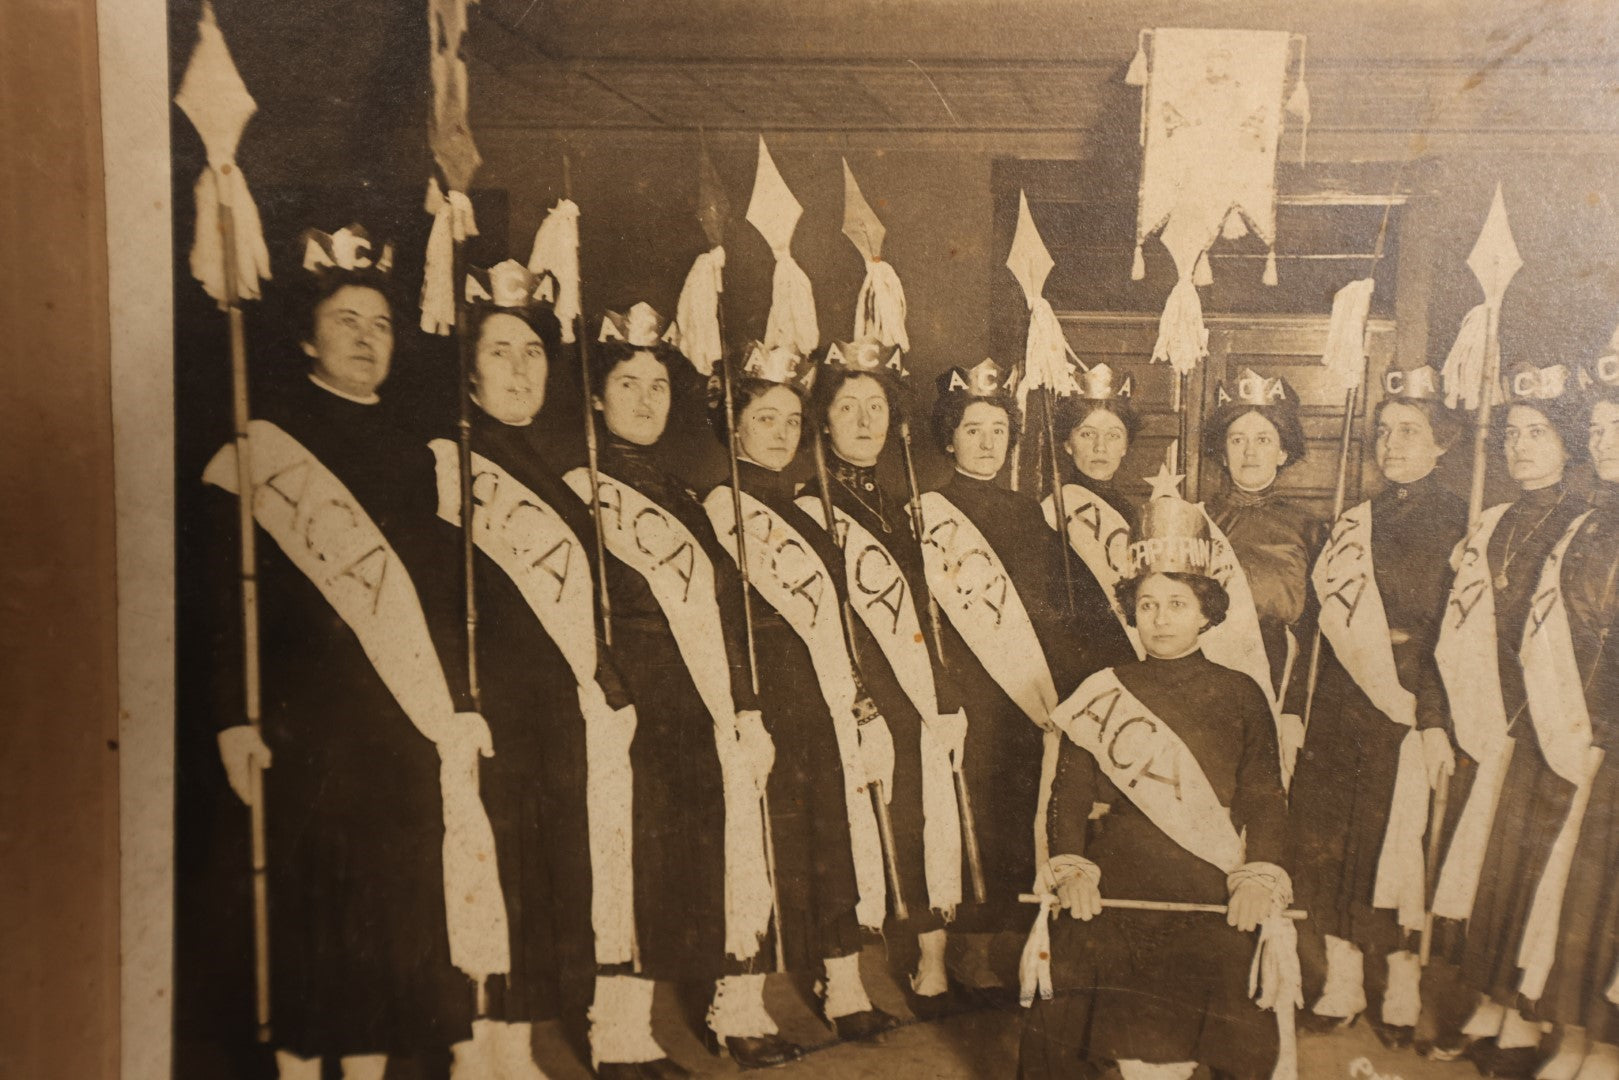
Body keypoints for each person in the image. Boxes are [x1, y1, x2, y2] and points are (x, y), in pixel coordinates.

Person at [202, 227, 487, 1080]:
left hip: (402, 718)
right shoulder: (260, 451)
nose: (367, 338)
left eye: (382, 324)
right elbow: (223, 604)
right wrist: (231, 719)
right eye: (346, 319)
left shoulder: (417, 452)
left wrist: (463, 700)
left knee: (390, 907)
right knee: (311, 907)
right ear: (305, 335)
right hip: (304, 723)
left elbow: (446, 596)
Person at [562, 304, 787, 1075]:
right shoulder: (574, 491)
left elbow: (730, 612)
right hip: (633, 708)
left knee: (711, 860)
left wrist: (748, 704)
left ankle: (731, 1010)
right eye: (628, 382)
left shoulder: (683, 494)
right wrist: (608, 692)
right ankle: (618, 1033)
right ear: (596, 396)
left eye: (658, 384)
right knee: (633, 867)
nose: (646, 399)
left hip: (705, 706)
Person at [425, 261, 634, 1079]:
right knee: (490, 873)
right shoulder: (445, 459)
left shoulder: (548, 467)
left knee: (543, 876)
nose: (520, 369)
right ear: (470, 366)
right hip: (488, 702)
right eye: (501, 351)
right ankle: (481, 1055)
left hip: (555, 706)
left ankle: (515, 1048)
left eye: (533, 353)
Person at [1019, 472, 1296, 1080]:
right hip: (1118, 868)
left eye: (1177, 605)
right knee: (1075, 954)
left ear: (1206, 613)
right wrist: (1071, 871)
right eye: (1147, 605)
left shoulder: (1241, 693)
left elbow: (1264, 799)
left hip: (1209, 871)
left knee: (1229, 959)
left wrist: (1258, 879)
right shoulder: (1102, 690)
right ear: (1131, 613)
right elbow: (1066, 800)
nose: (1161, 620)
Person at [701, 340, 902, 1042]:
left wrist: (857, 697)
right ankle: (737, 1003)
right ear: (734, 426)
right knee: (761, 844)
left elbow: (839, 620)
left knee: (833, 835)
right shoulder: (715, 510)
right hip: (761, 699)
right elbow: (717, 622)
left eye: (792, 421)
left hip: (820, 698)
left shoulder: (807, 511)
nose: (782, 434)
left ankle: (842, 983)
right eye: (765, 420)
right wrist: (742, 707)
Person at [1288, 364, 1467, 1046]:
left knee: (1395, 842)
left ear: (1442, 442)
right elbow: (1319, 622)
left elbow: (1455, 637)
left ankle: (1398, 983)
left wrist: (1429, 716)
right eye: (1383, 432)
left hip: (1408, 692)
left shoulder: (1461, 521)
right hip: (1342, 695)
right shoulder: (1352, 520)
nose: (1392, 445)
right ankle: (1339, 977)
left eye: (1409, 432)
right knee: (1332, 838)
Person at [917, 359, 1111, 987]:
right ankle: (955, 959)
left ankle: (1003, 953)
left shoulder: (1031, 514)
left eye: (998, 430)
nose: (986, 443)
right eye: (972, 430)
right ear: (949, 438)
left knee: (1014, 814)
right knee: (966, 811)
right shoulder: (928, 514)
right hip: (968, 690)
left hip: (1027, 693)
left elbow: (1059, 610)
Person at [1426, 360, 1590, 1074]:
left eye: (1539, 433)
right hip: (1491, 715)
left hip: (1555, 713)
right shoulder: (1490, 522)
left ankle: (1525, 1014)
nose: (1521, 448)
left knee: (1538, 868)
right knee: (1489, 866)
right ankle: (1490, 1000)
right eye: (1512, 435)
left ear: (1568, 445)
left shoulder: (1584, 523)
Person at [797, 339, 968, 1016]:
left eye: (876, 407)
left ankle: (931, 967)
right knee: (854, 827)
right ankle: (841, 979)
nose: (864, 421)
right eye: (848, 406)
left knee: (927, 819)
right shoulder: (808, 509)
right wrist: (859, 698)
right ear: (825, 419)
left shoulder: (902, 508)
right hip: (851, 693)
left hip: (915, 692)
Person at [1532, 354, 1619, 1080]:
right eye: (1594, 428)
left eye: (1616, 428)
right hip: (1596, 735)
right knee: (1592, 897)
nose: (1601, 442)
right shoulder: (1592, 522)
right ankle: (1580, 1039)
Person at [1203, 368, 1322, 772]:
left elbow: (1315, 630)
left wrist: (1294, 710)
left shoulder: (1308, 527)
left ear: (1283, 451)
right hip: (1208, 671)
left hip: (1276, 672)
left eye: (1263, 440)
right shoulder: (1196, 521)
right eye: (1237, 440)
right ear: (1222, 452)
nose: (1250, 453)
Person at [1043, 362, 1146, 654]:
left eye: (1113, 435)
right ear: (1067, 444)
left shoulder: (1134, 514)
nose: (1101, 448)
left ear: (1126, 445)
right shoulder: (1052, 510)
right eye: (1087, 434)